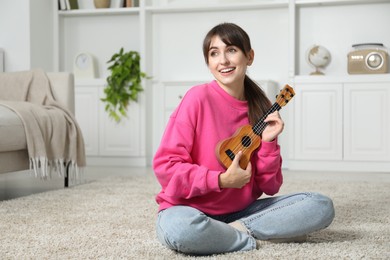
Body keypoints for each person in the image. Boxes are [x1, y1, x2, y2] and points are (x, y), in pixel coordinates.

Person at [153, 22, 335, 255]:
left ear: (249, 56)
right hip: (188, 209)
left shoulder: (262, 109)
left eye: (231, 50)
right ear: (208, 63)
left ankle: (230, 233)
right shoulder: (196, 98)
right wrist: (220, 180)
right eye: (214, 53)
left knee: (320, 206)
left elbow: (270, 186)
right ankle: (253, 237)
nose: (223, 61)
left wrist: (269, 143)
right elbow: (165, 167)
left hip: (243, 211)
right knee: (182, 232)